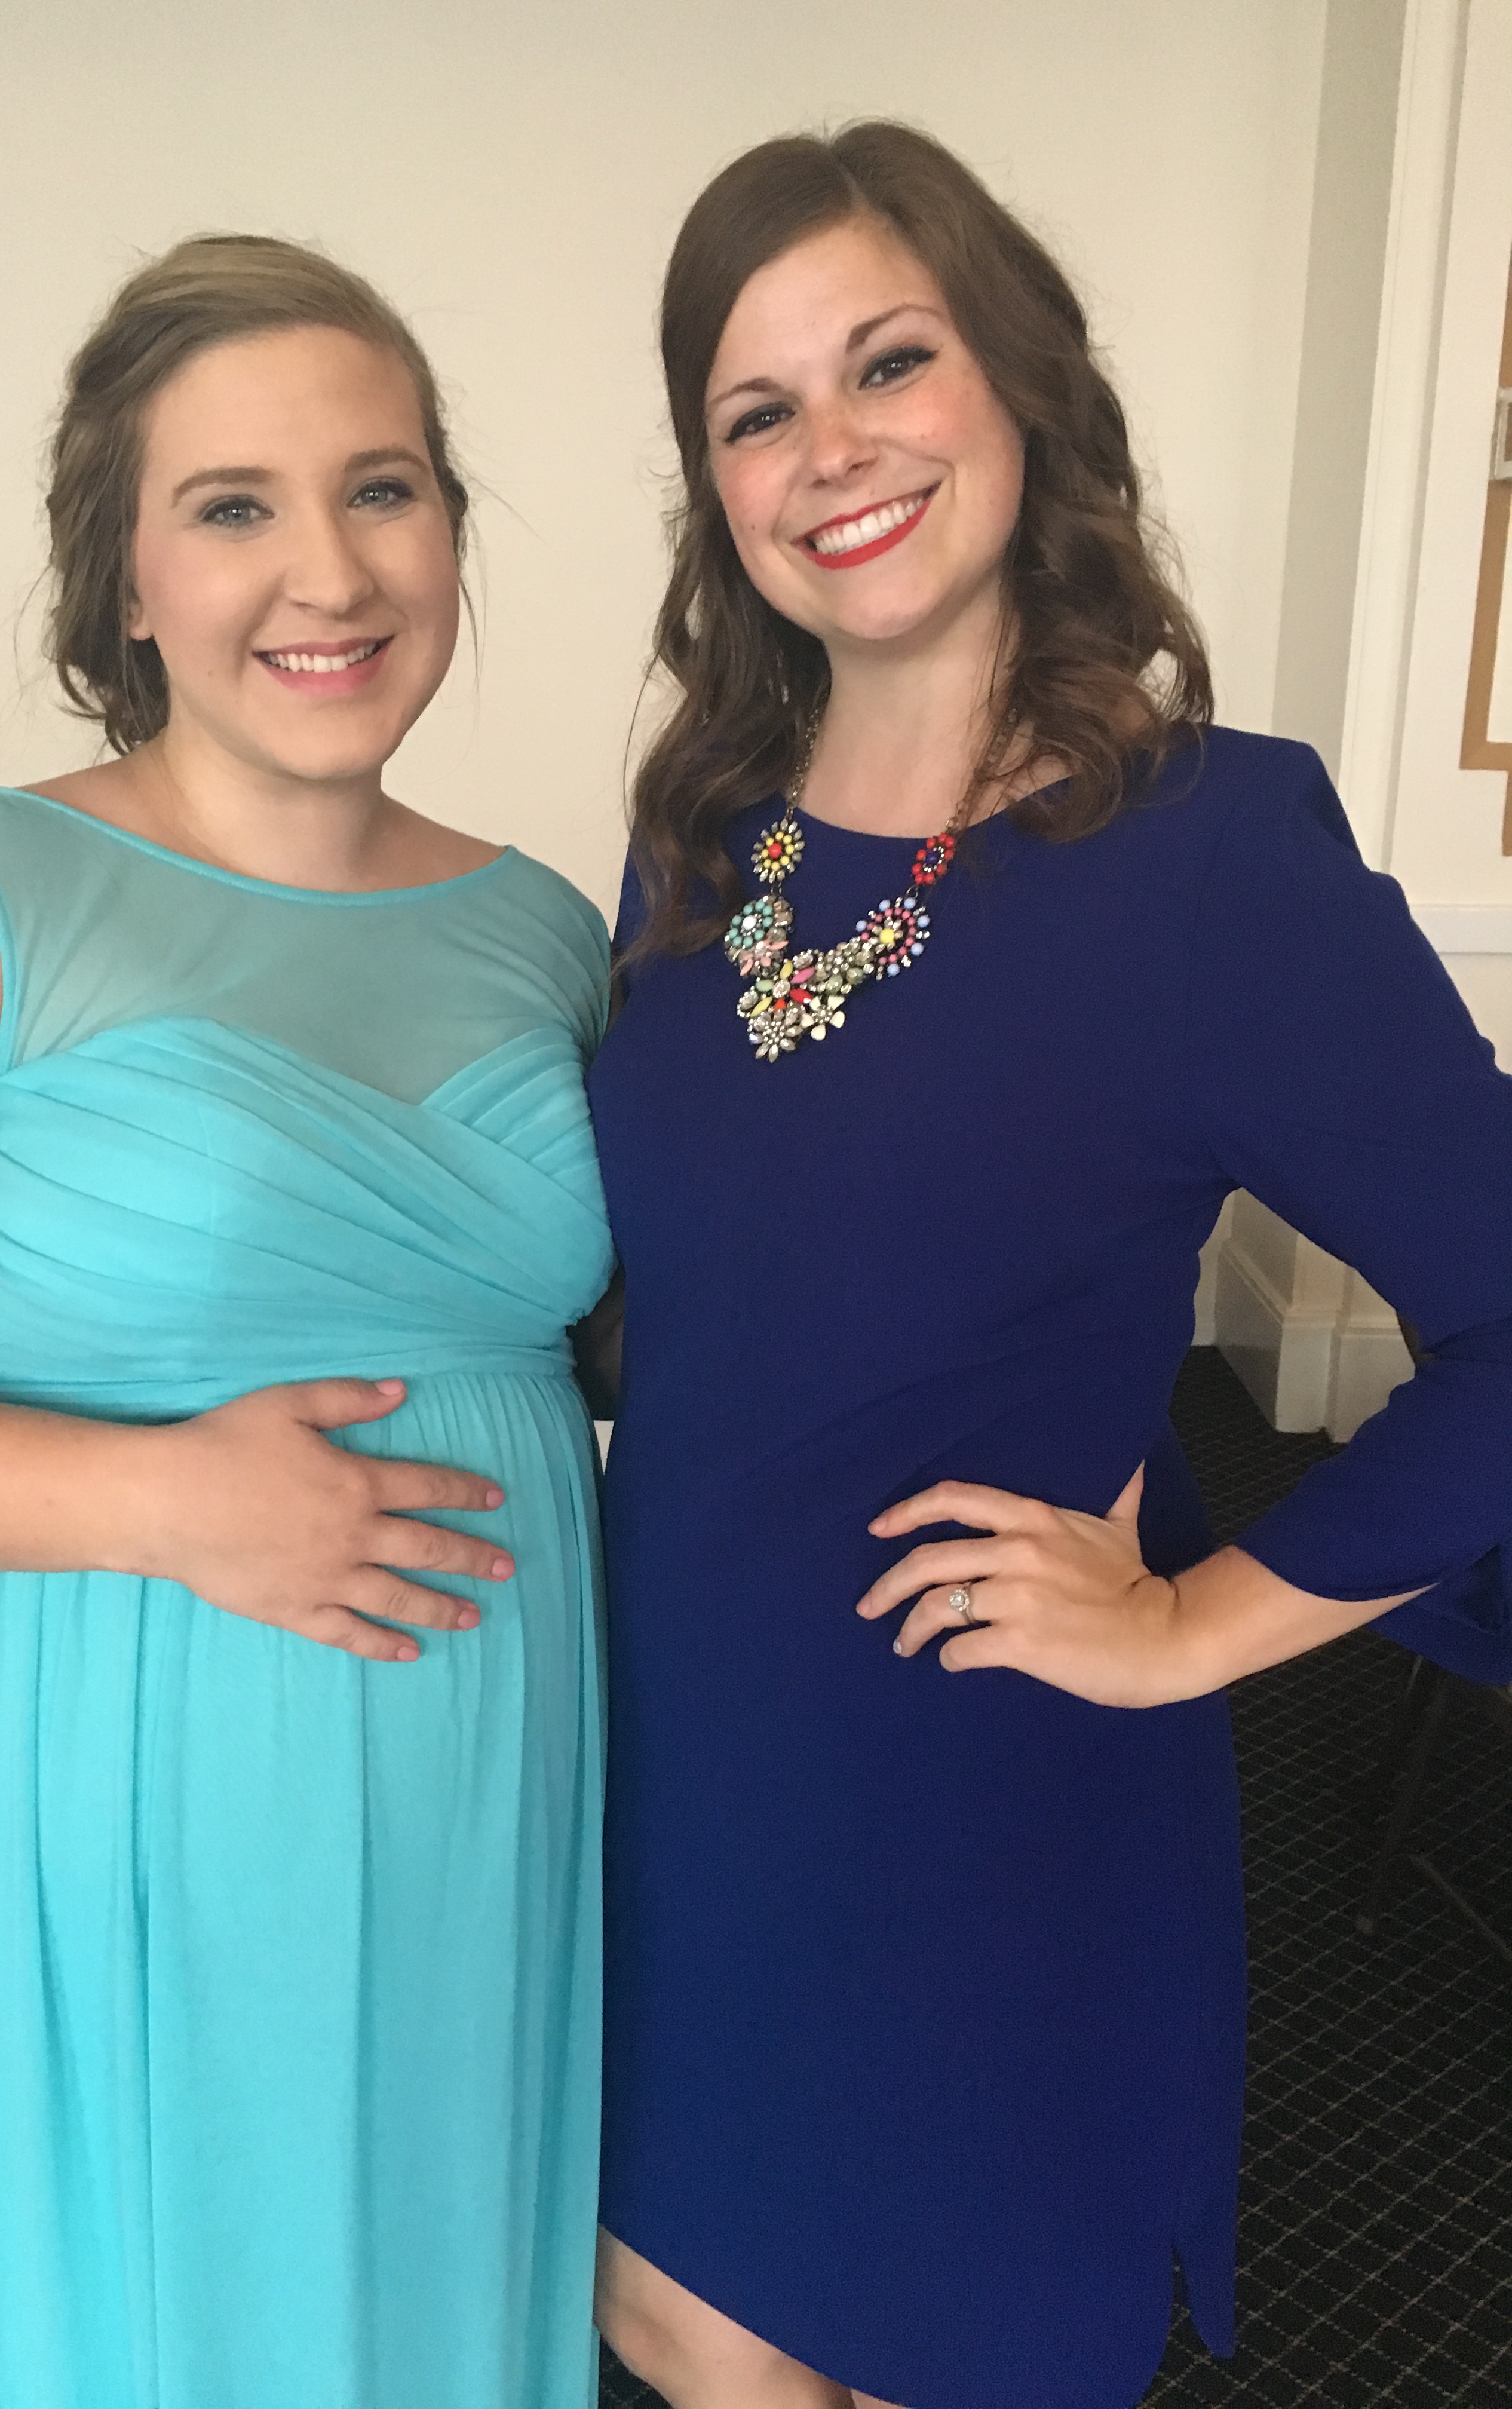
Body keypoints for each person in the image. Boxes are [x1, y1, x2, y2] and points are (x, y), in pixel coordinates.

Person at [584, 123, 1512, 2409]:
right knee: (680, 2321)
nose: (833, 448)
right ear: (715, 487)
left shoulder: (1211, 850)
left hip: (978, 1786)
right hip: (682, 1752)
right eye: (758, 409)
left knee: (938, 2344)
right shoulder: (703, 837)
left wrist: (1195, 1625)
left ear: (1018, 380)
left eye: (889, 362)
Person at [0, 235, 614, 2409]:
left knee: (427, 2259)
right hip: (82, 1748)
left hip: (484, 1756)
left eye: (384, 488)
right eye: (232, 506)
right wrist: (163, 1502)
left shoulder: (544, 926)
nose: (330, 570)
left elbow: (605, 1335)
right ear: (124, 577)